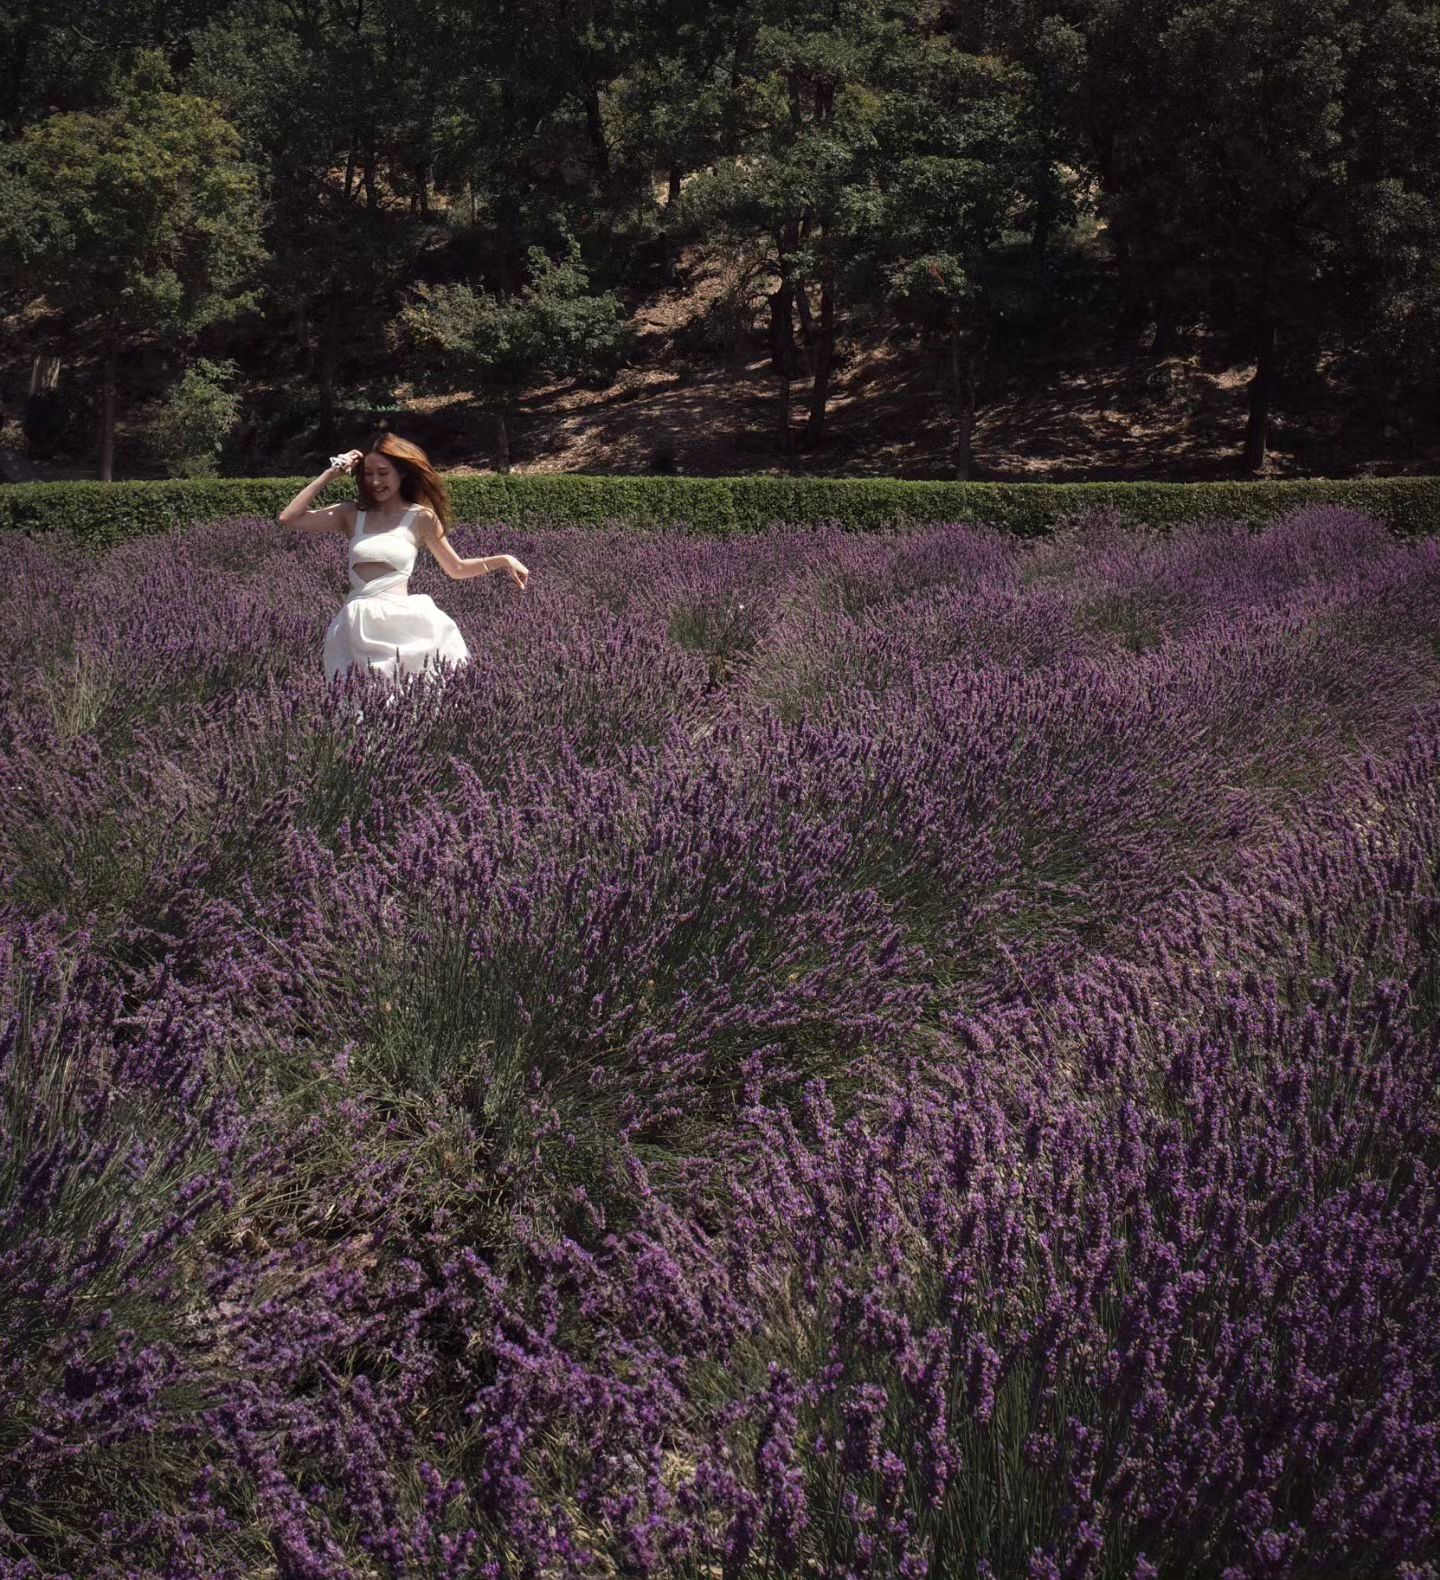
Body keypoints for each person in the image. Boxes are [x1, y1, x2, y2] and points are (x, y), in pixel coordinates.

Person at [277, 432, 529, 701]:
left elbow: (456, 568)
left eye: (383, 473)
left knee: (417, 703)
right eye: (368, 473)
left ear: (402, 473)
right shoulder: (351, 514)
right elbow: (289, 518)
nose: (375, 481)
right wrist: (331, 473)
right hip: (358, 624)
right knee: (359, 707)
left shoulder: (421, 518)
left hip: (406, 624)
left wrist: (503, 559)